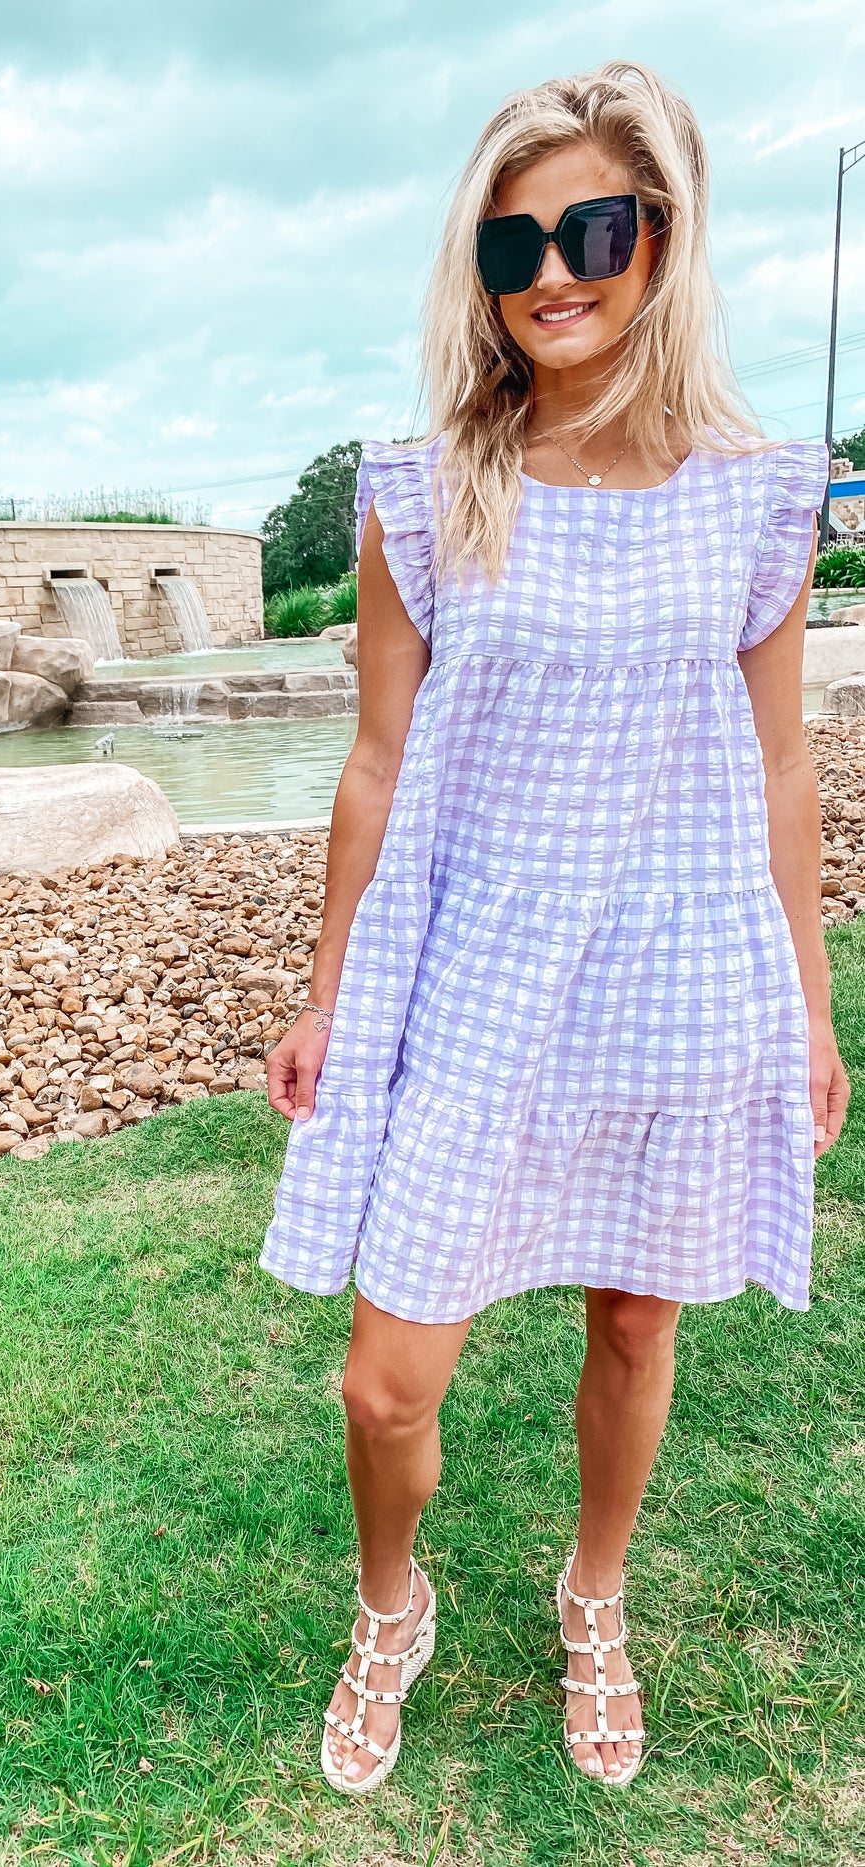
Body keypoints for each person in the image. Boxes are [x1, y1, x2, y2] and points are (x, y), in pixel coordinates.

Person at [261, 60, 849, 1795]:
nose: (553, 271)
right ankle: (395, 1605)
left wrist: (809, 1012)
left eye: (594, 226)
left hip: (676, 960)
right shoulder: (428, 482)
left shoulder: (755, 492)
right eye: (515, 240)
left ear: (663, 237)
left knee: (634, 1325)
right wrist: (327, 990)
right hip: (478, 969)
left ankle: (596, 1595)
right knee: (386, 1379)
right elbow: (376, 760)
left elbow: (781, 771)